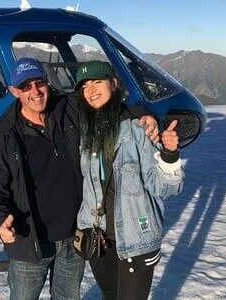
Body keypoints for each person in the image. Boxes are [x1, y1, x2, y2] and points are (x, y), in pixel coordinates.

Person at [0, 58, 160, 300]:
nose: (35, 91)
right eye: (25, 86)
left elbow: (105, 105)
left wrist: (144, 115)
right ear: (14, 91)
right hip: (29, 241)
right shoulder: (3, 134)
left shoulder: (67, 109)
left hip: (73, 238)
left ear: (47, 83)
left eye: (39, 83)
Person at [74, 60, 184, 300]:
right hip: (98, 239)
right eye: (84, 86)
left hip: (137, 238)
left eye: (97, 82)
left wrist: (169, 155)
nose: (91, 90)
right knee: (110, 296)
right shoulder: (85, 131)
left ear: (114, 84)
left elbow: (165, 187)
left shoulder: (138, 130)